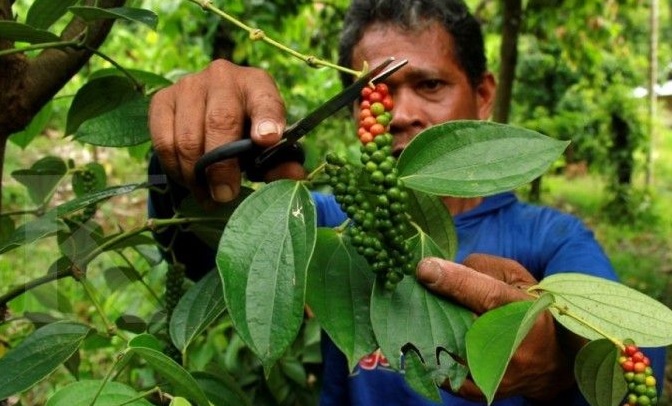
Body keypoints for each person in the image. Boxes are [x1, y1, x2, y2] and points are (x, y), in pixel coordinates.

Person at [147, 0, 666, 404]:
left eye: (430, 84)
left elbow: (638, 362)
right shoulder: (325, 222)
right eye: (374, 92)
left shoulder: (549, 240)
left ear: (483, 95)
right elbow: (207, 250)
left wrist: (555, 369)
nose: (398, 114)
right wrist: (189, 163)